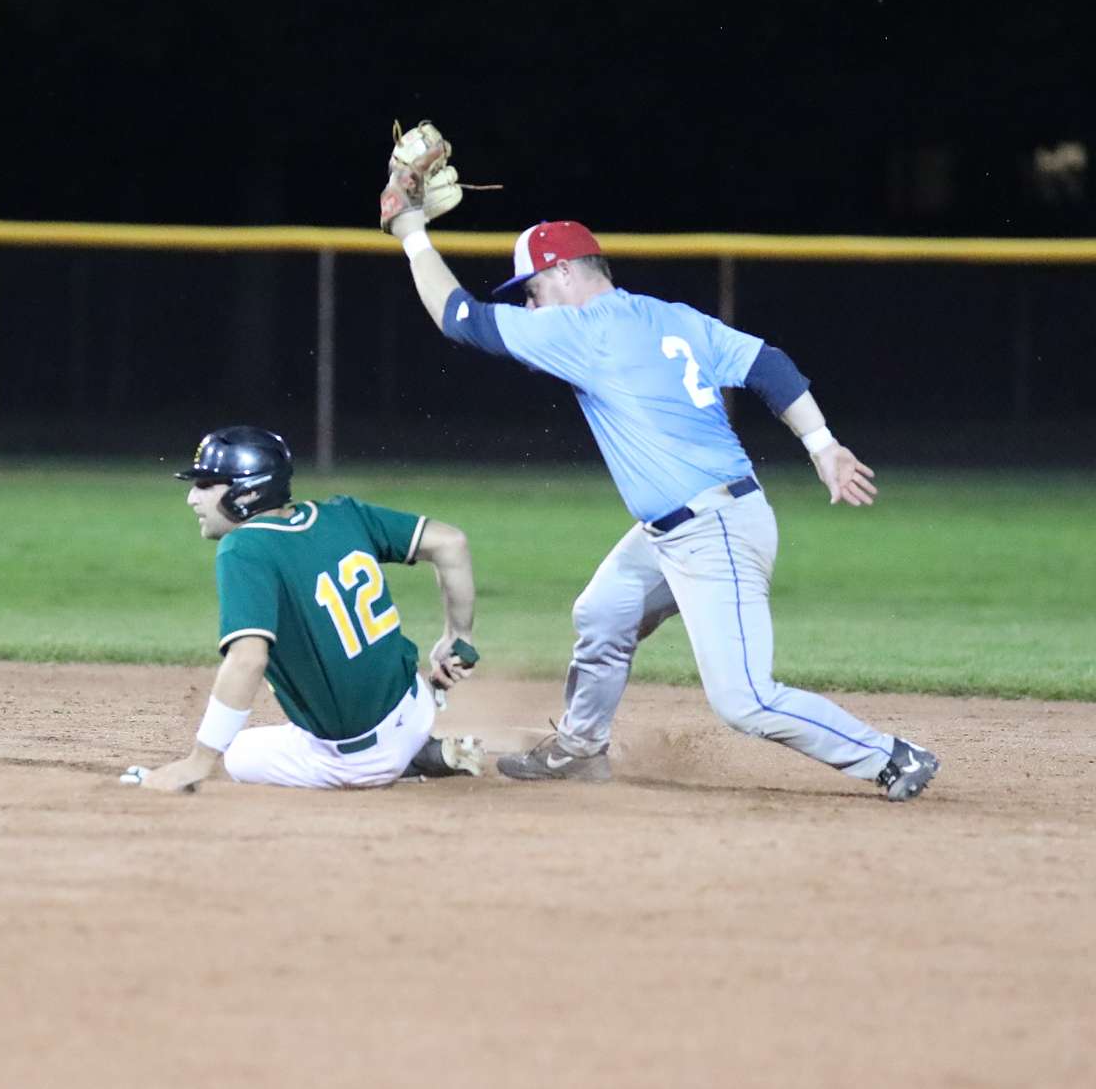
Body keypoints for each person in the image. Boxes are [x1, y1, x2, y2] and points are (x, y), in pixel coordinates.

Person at [378, 145, 939, 801]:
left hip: (713, 532)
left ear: (563, 274)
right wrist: (823, 446)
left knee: (745, 699)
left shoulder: (581, 329)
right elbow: (769, 365)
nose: (530, 308)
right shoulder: (670, 316)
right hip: (684, 526)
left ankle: (890, 756)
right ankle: (580, 750)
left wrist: (411, 232)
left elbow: (461, 319)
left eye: (531, 291)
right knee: (603, 613)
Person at [122, 426, 485, 793]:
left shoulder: (245, 548)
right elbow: (450, 542)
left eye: (205, 485)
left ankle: (402, 761)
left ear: (247, 491)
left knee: (239, 754)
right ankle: (419, 749)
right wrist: (458, 635)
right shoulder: (343, 514)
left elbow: (248, 659)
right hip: (417, 707)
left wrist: (199, 762)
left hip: (360, 760)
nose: (192, 498)